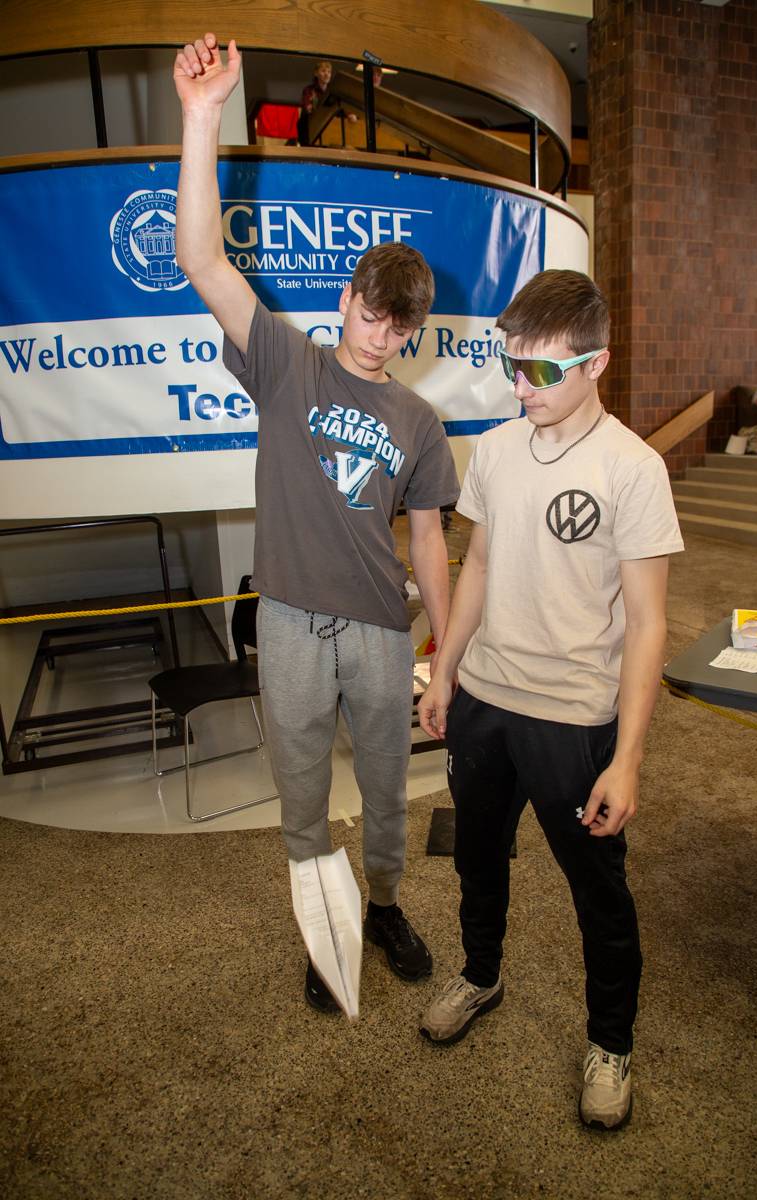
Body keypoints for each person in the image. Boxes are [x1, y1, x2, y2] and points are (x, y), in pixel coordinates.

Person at [173, 34, 459, 1013]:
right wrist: (203, 116)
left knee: (384, 800)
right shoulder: (286, 363)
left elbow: (427, 539)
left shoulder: (419, 422)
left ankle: (378, 903)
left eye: (397, 325)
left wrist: (445, 658)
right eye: (369, 312)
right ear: (346, 300)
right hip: (289, 618)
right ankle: (321, 918)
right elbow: (200, 259)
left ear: (411, 333)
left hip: (381, 630)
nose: (378, 332)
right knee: (301, 796)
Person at [417, 269, 684, 1131]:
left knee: (596, 891)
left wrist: (630, 756)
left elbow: (646, 625)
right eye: (510, 365)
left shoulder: (634, 469)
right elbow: (481, 567)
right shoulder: (494, 450)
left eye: (542, 372)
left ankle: (611, 1042)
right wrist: (446, 667)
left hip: (574, 718)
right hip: (486, 702)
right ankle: (482, 973)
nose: (520, 387)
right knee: (476, 856)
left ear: (596, 363)